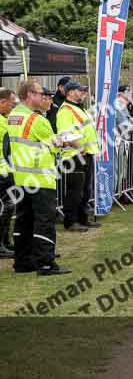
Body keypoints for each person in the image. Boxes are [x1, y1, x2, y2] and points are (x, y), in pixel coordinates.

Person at [9, 80, 78, 275]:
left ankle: (22, 261)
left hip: (22, 178)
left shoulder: (14, 116)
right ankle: (45, 262)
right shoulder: (37, 120)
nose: (43, 97)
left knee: (23, 222)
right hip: (41, 178)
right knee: (44, 222)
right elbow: (55, 143)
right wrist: (68, 141)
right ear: (30, 95)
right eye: (40, 94)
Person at [56, 81, 100, 231]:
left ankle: (83, 218)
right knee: (75, 191)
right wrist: (80, 147)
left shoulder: (78, 108)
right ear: (70, 92)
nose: (83, 92)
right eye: (79, 90)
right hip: (74, 155)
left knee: (86, 189)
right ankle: (70, 221)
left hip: (85, 153)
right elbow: (65, 134)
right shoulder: (65, 110)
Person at [0, 88, 17, 258]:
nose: (13, 106)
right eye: (11, 102)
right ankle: (2, 244)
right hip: (3, 172)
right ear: (2, 102)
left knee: (8, 208)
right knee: (5, 208)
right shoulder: (3, 122)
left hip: (5, 170)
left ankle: (5, 242)